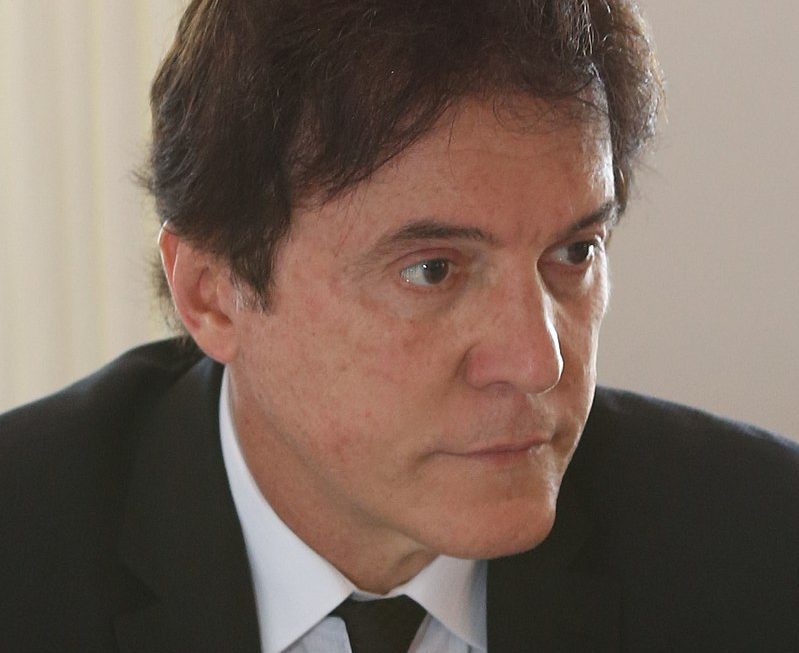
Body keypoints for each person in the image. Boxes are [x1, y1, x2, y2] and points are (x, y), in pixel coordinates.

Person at [1, 0, 797, 651]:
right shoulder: (26, 555)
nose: (537, 360)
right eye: (432, 270)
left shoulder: (762, 551)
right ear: (211, 294)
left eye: (573, 251)